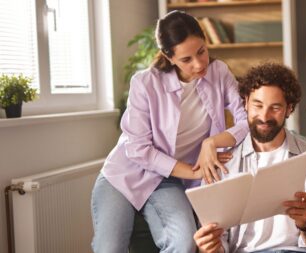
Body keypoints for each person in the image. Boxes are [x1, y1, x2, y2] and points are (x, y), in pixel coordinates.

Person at [91, 11, 249, 253]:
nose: (199, 64)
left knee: (185, 243)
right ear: (168, 56)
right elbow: (137, 148)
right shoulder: (145, 83)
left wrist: (211, 143)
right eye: (186, 59)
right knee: (110, 248)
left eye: (201, 51)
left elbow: (245, 119)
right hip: (124, 174)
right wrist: (193, 170)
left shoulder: (219, 72)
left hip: (168, 181)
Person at [194, 63, 306, 253]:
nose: (264, 116)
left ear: (289, 109)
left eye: (275, 107)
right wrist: (210, 249)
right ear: (245, 103)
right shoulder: (221, 164)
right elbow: (218, 242)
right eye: (258, 105)